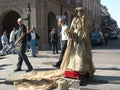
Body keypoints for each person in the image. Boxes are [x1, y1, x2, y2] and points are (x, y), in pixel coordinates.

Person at [64, 7, 95, 78]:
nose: (79, 13)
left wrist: (84, 38)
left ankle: (81, 69)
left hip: (81, 38)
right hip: (75, 37)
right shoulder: (74, 19)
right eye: (78, 11)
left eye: (80, 11)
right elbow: (72, 28)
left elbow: (86, 30)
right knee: (73, 53)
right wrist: (69, 32)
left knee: (81, 53)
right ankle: (73, 67)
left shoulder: (84, 20)